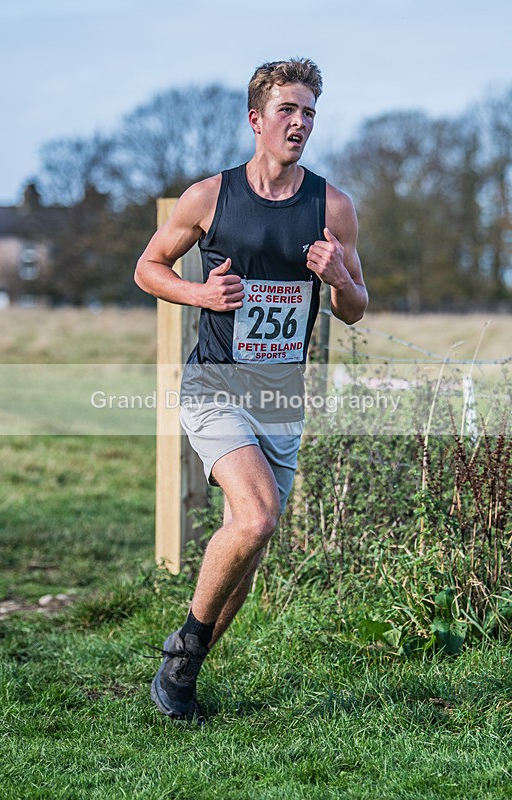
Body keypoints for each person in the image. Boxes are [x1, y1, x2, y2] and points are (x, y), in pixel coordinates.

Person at [134, 57, 368, 721]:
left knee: (250, 542)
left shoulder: (332, 206)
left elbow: (355, 307)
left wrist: (339, 281)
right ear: (256, 120)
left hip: (280, 396)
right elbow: (148, 268)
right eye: (288, 110)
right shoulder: (208, 197)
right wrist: (198, 293)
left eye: (309, 113)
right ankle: (181, 656)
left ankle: (184, 667)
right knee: (257, 514)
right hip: (214, 382)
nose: (300, 123)